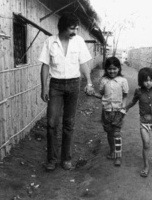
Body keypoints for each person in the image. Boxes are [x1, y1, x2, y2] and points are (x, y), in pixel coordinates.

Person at [39, 13, 94, 171]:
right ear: (63, 27)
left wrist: (89, 82)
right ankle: (51, 160)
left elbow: (84, 63)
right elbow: (45, 66)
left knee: (69, 123)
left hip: (73, 84)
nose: (75, 32)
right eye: (72, 28)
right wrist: (44, 87)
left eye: (76, 28)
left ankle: (66, 159)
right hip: (55, 86)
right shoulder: (50, 42)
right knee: (51, 123)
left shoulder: (79, 41)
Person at [92, 56, 129, 167]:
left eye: (114, 68)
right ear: (106, 69)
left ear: (119, 68)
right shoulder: (103, 81)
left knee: (117, 134)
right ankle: (112, 150)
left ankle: (118, 156)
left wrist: (123, 109)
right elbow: (102, 94)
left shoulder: (123, 81)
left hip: (118, 112)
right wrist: (92, 93)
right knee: (109, 133)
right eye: (109, 69)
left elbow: (125, 96)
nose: (112, 71)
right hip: (106, 112)